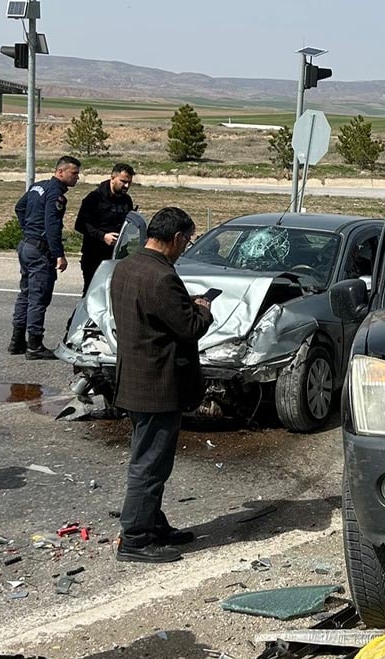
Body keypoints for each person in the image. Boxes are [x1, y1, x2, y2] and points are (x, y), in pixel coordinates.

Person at [110, 207, 213, 563]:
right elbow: (188, 328)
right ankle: (136, 537)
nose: (186, 248)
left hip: (135, 380)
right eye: (187, 241)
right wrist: (201, 308)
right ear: (177, 239)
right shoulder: (161, 277)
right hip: (156, 384)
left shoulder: (127, 266)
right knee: (150, 465)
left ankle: (152, 523)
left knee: (148, 459)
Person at [8, 155, 82, 359]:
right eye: (74, 173)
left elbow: (19, 207)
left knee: (26, 293)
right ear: (60, 172)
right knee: (38, 297)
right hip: (40, 250)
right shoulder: (55, 193)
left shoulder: (37, 187)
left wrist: (28, 229)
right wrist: (59, 255)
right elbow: (52, 226)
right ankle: (34, 345)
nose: (77, 177)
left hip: (27, 246)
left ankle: (17, 341)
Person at [75, 162, 135, 295]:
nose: (126, 186)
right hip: (94, 255)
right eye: (123, 181)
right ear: (112, 178)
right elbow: (80, 225)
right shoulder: (94, 198)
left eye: (129, 182)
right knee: (92, 293)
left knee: (114, 294)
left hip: (117, 255)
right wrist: (103, 236)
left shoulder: (126, 200)